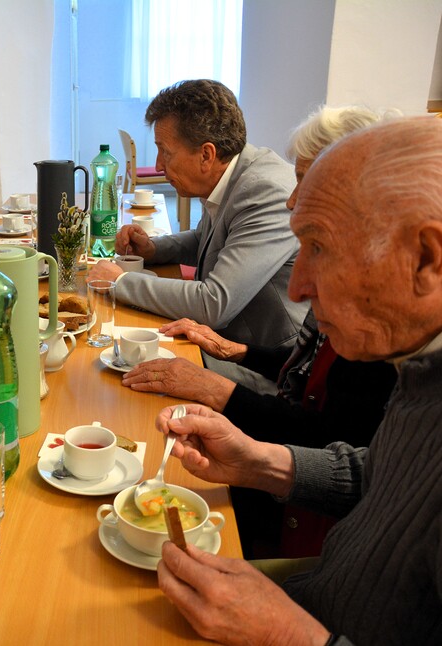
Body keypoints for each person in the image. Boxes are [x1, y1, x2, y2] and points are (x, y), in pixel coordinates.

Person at [153, 116, 442, 645]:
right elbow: (381, 478)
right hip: (317, 592)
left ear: (426, 259)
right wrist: (258, 461)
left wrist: (289, 634)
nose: (299, 286)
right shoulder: (419, 367)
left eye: (320, 246)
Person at [120, 106, 400, 558]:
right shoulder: (346, 278)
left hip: (304, 520)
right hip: (277, 382)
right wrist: (240, 352)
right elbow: (311, 373)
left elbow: (323, 436)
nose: (292, 198)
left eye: (306, 181)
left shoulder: (379, 324)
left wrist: (218, 392)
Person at [89, 79, 307, 388]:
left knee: (118, 378)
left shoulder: (264, 191)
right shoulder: (233, 172)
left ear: (206, 154)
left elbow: (213, 304)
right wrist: (152, 249)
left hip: (266, 366)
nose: (159, 165)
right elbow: (205, 239)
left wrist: (120, 281)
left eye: (165, 152)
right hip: (223, 339)